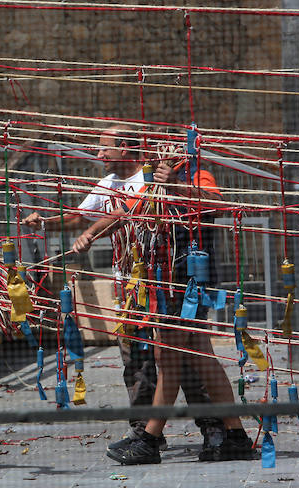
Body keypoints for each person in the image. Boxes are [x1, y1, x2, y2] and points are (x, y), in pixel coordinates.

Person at [25, 126, 226, 458]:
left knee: (186, 360)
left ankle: (214, 430)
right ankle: (146, 431)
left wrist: (174, 184)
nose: (98, 155)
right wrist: (59, 225)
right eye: (158, 147)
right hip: (133, 289)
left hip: (178, 286)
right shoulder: (130, 183)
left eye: (105, 149)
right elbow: (109, 215)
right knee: (138, 362)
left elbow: (217, 205)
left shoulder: (189, 175)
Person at [71, 135, 253, 465]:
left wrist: (179, 186)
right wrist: (89, 234)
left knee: (172, 361)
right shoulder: (152, 185)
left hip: (187, 284)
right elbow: (125, 212)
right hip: (165, 285)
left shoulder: (196, 175)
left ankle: (151, 440)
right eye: (157, 157)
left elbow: (217, 203)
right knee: (199, 357)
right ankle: (234, 435)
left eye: (166, 156)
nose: (159, 161)